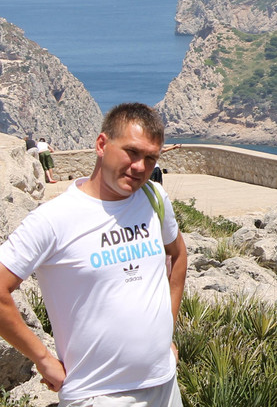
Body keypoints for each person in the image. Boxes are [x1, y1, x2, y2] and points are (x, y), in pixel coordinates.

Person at [0, 103, 188, 407]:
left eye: (151, 157)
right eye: (132, 152)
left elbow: (178, 256)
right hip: (97, 394)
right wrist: (42, 358)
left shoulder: (154, 198)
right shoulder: (55, 218)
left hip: (164, 386)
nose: (141, 166)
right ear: (102, 145)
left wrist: (167, 326)